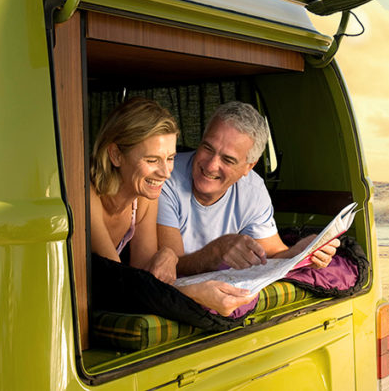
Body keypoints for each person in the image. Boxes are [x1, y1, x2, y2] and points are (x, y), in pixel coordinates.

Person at [90, 97, 257, 316]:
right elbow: (123, 285)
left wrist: (168, 254)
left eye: (170, 158)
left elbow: (144, 274)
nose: (166, 172)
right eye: (152, 160)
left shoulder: (144, 199)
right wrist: (192, 293)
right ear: (116, 155)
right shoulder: (87, 193)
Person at [156, 101, 338, 281]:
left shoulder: (253, 189)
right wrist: (216, 251)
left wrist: (299, 253)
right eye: (207, 148)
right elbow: (172, 267)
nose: (211, 166)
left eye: (228, 160)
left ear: (248, 167)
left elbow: (273, 255)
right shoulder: (165, 177)